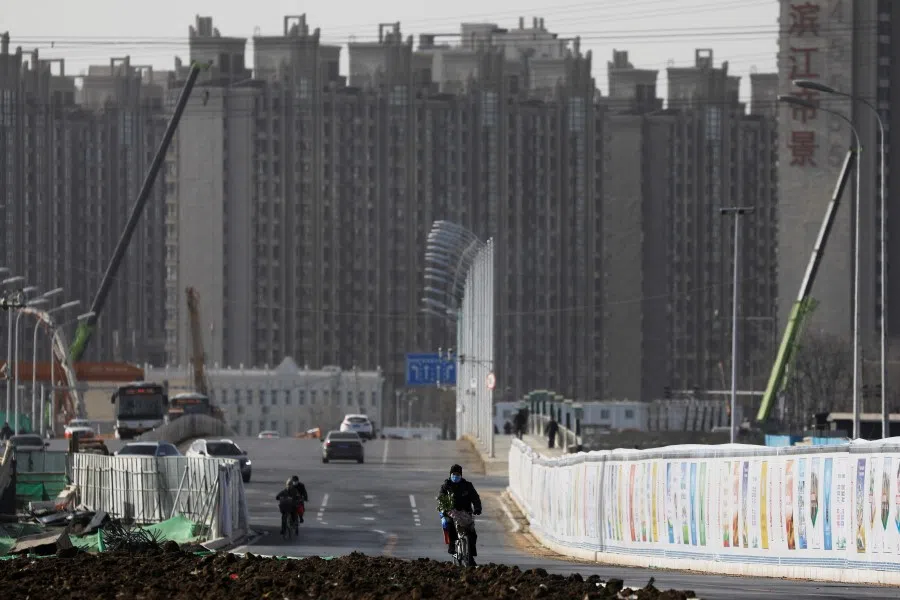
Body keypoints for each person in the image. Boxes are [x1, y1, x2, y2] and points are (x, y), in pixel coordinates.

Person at [437, 464, 482, 566]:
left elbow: (475, 498)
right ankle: (452, 547)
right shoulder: (445, 486)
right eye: (454, 474)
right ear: (450, 475)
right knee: (450, 525)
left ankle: (470, 556)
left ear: (461, 475)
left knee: (472, 534)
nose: (455, 476)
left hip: (466, 513)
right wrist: (444, 510)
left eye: (458, 474)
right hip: (451, 513)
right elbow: (441, 500)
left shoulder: (467, 486)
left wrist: (478, 508)